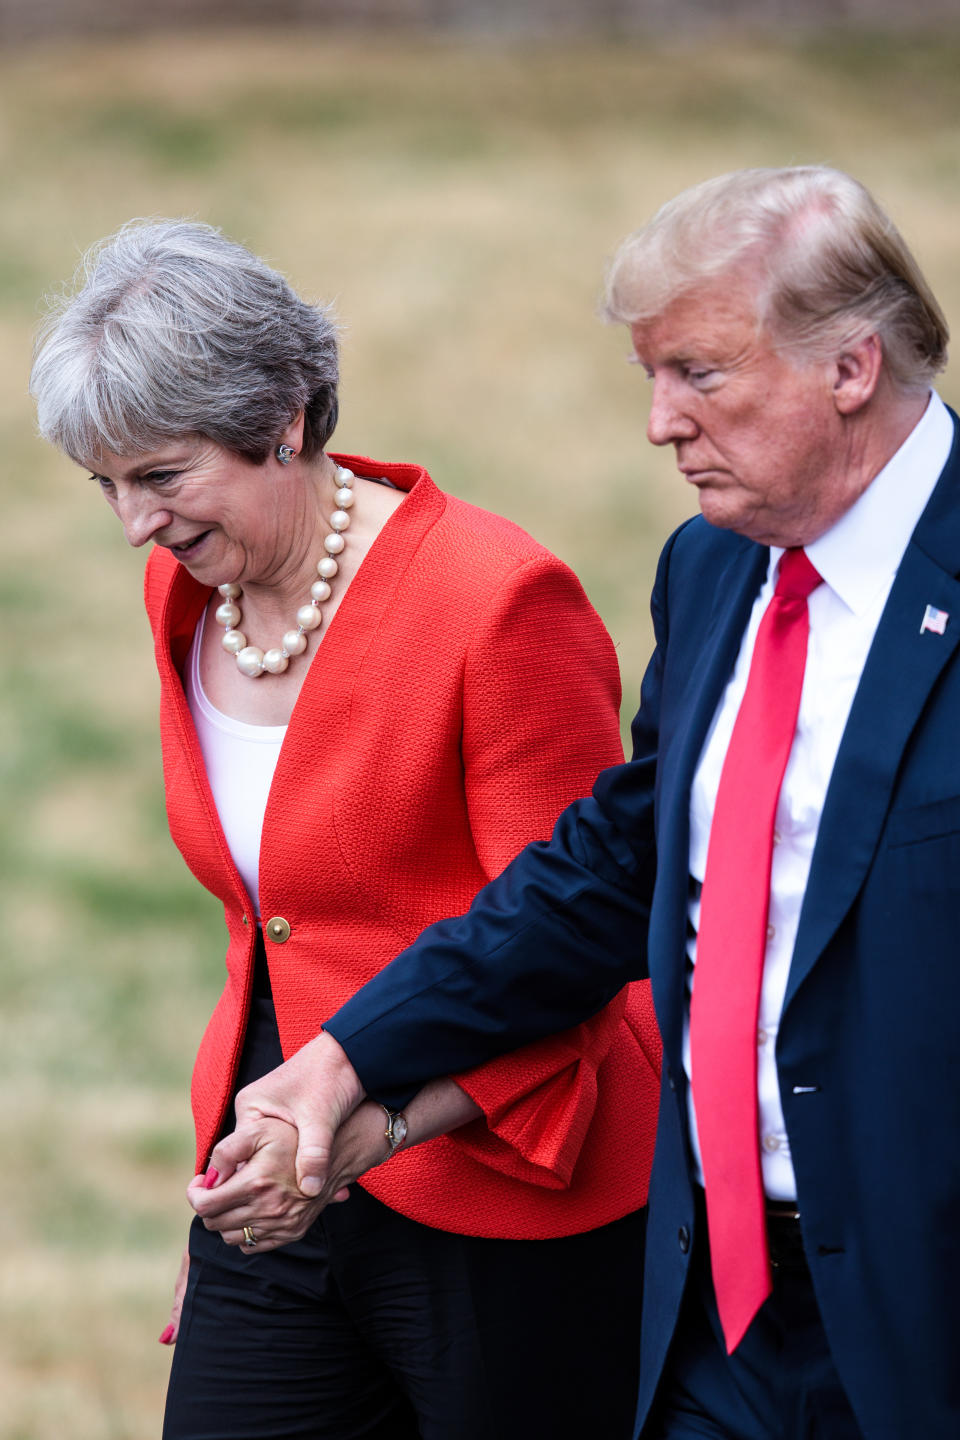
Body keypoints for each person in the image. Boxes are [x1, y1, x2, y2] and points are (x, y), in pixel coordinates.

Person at [217, 167, 960, 1439]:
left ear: (852, 366)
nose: (662, 424)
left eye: (699, 375)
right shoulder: (716, 566)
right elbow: (615, 873)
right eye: (649, 381)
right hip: (716, 1312)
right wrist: (345, 1059)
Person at [30, 219, 662, 1440]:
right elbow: (269, 924)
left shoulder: (496, 603)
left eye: (161, 477)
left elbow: (577, 938)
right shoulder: (191, 588)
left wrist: (372, 1126)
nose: (132, 526)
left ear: (286, 422)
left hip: (506, 1179)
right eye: (104, 484)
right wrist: (251, 1151)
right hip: (282, 1178)